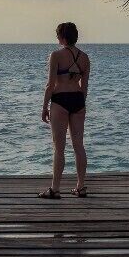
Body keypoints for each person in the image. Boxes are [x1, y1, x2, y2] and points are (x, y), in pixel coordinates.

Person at [38, 22, 90, 198]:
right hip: (78, 100)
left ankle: (55, 189)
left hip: (60, 101)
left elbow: (50, 84)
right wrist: (80, 104)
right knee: (78, 145)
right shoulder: (85, 58)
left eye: (58, 35)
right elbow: (84, 87)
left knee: (59, 148)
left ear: (62, 37)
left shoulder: (56, 56)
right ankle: (80, 187)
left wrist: (45, 106)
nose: (57, 38)